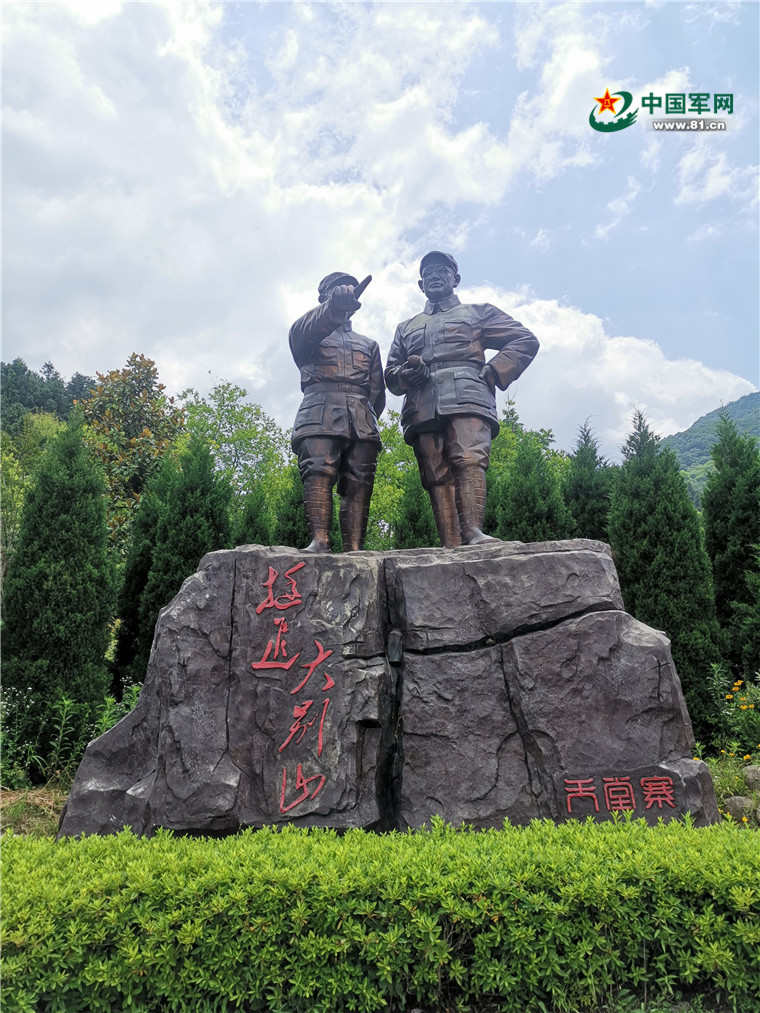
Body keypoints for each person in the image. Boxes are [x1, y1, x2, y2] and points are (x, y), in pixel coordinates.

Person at [385, 251, 539, 547]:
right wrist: (406, 374)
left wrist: (495, 369)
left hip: (468, 397)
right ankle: (451, 544)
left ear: (455, 279)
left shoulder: (478, 313)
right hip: (422, 404)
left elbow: (525, 339)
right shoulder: (406, 327)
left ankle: (473, 533)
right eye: (427, 272)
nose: (434, 275)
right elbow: (390, 375)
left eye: (441, 270)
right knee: (435, 473)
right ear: (420, 285)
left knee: (469, 459)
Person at [289, 272, 385, 553]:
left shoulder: (369, 344)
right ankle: (319, 541)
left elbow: (377, 391)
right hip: (319, 411)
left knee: (360, 480)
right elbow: (305, 330)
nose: (346, 293)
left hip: (361, 418)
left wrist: (366, 415)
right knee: (318, 472)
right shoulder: (306, 334)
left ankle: (354, 548)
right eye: (338, 290)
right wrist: (333, 307)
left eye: (350, 291)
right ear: (324, 297)